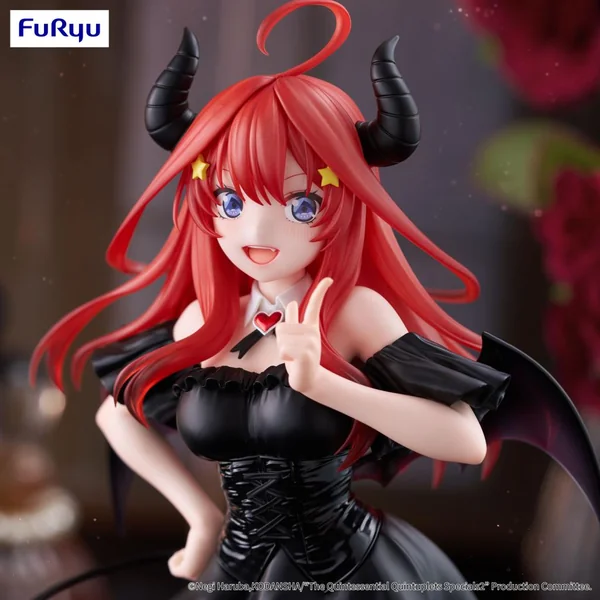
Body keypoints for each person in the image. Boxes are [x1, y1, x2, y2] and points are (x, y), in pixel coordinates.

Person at [29, 1, 600, 598]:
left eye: (301, 205)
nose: (256, 232)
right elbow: (116, 416)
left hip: (341, 573)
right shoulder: (208, 319)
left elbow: (465, 438)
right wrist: (199, 517)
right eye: (231, 203)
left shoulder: (353, 313)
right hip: (236, 568)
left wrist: (328, 387)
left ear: (344, 201)